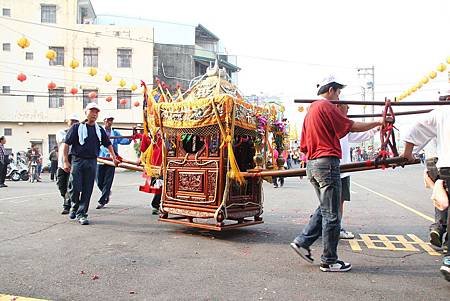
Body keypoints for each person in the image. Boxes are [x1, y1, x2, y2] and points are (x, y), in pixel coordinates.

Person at [290, 75, 381, 272]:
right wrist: (378, 122)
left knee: (325, 208)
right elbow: (350, 126)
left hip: (313, 164)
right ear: (330, 90)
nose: (339, 97)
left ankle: (302, 241)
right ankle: (329, 260)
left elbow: (304, 145)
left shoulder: (311, 110)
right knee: (332, 214)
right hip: (327, 162)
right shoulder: (325, 106)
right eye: (338, 92)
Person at [401, 104, 450, 281]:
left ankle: (442, 237)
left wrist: (407, 154)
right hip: (441, 165)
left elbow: (412, 131)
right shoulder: (443, 112)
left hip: (443, 167)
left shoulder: (441, 112)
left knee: (444, 203)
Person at [63, 103, 119, 225]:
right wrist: (66, 161)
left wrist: (114, 157)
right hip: (77, 160)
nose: (94, 114)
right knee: (75, 187)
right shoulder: (76, 127)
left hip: (92, 161)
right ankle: (74, 205)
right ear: (86, 112)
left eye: (96, 112)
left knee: (88, 189)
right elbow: (66, 144)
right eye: (92, 111)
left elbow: (108, 144)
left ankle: (82, 213)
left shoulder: (99, 130)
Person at [336, 103, 379, 239]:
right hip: (333, 167)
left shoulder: (344, 126)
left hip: (343, 169)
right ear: (338, 107)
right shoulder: (337, 123)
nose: (348, 109)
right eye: (346, 106)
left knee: (336, 201)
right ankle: (334, 228)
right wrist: (378, 123)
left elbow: (360, 134)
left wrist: (376, 128)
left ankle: (332, 227)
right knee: (332, 202)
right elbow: (356, 127)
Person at [96, 115, 132, 209]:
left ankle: (102, 200)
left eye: (111, 120)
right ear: (104, 121)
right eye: (108, 120)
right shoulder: (98, 131)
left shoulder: (115, 133)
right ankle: (106, 193)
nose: (109, 122)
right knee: (99, 181)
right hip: (100, 159)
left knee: (108, 182)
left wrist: (131, 138)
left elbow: (123, 140)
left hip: (112, 161)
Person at [56, 113, 80, 214]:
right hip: (62, 162)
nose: (73, 123)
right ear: (68, 122)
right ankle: (67, 200)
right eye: (72, 121)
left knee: (72, 184)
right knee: (61, 184)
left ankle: (68, 205)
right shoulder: (61, 132)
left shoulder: (80, 134)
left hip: (74, 161)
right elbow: (65, 140)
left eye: (76, 122)